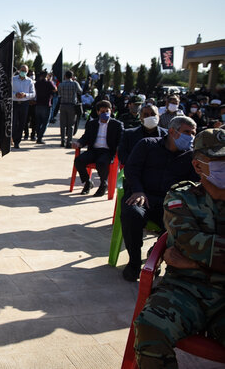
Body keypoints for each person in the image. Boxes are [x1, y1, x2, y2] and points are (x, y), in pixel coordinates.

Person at [133, 128, 225, 368]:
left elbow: (192, 250)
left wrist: (192, 261)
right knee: (150, 325)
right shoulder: (182, 196)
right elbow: (188, 241)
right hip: (185, 289)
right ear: (198, 166)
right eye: (218, 160)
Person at [121, 116, 199, 281]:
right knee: (132, 214)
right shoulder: (147, 145)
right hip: (143, 196)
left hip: (170, 203)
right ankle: (134, 262)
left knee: (183, 222)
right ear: (172, 131)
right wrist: (137, 190)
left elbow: (194, 184)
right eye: (187, 132)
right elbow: (131, 169)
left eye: (193, 133)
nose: (191, 137)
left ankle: (155, 257)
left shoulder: (191, 157)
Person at [72, 100, 123, 197]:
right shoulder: (92, 124)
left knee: (102, 163)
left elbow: (121, 139)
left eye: (107, 111)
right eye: (102, 112)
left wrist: (119, 148)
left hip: (108, 151)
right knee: (79, 160)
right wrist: (78, 143)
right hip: (94, 150)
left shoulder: (117, 124)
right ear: (98, 112)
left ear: (111, 111)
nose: (105, 113)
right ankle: (88, 182)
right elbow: (85, 137)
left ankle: (103, 184)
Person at [11, 64, 35, 149]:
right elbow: (8, 91)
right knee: (13, 123)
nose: (23, 72)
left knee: (22, 123)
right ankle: (12, 138)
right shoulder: (13, 79)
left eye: (25, 71)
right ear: (19, 70)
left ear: (27, 72)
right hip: (14, 103)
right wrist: (15, 95)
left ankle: (17, 141)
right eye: (22, 70)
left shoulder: (29, 81)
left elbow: (33, 94)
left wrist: (25, 95)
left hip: (24, 104)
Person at [59, 70, 83, 148]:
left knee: (62, 124)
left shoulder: (61, 84)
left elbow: (59, 94)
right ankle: (69, 141)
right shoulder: (75, 84)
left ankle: (62, 141)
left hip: (63, 105)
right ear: (72, 76)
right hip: (72, 106)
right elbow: (80, 91)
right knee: (71, 125)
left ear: (65, 76)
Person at [34, 70, 57, 144]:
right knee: (45, 122)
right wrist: (51, 81)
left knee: (38, 122)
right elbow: (55, 89)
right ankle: (40, 138)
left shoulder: (37, 83)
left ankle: (38, 135)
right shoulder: (49, 83)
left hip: (38, 104)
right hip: (46, 104)